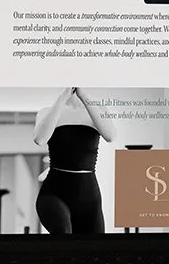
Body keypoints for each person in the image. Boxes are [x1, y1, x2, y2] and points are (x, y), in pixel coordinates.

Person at [32, 87, 116, 235]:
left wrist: (83, 95)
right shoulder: (47, 112)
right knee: (64, 233)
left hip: (89, 195)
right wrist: (62, 97)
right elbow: (40, 139)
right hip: (54, 192)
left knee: (97, 246)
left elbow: (110, 136)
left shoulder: (98, 110)